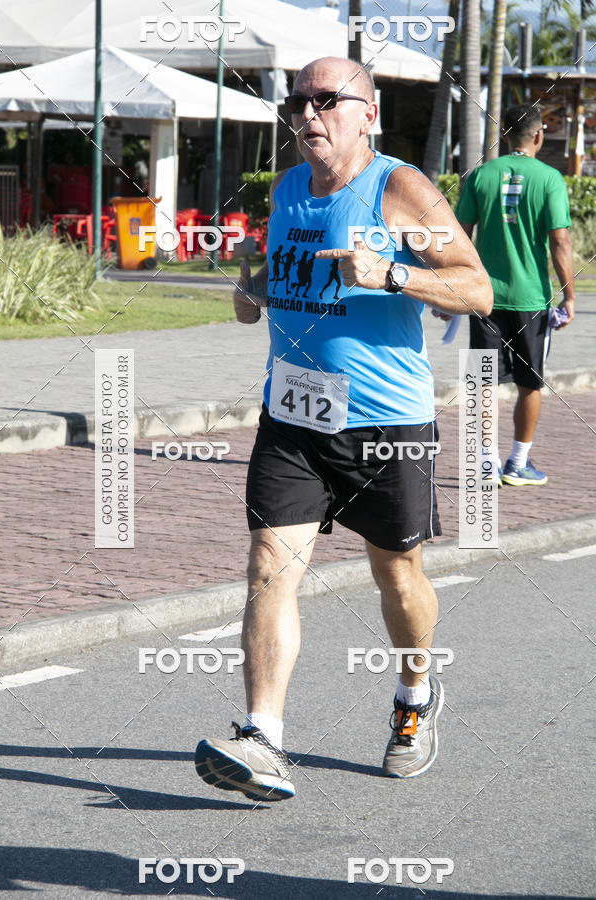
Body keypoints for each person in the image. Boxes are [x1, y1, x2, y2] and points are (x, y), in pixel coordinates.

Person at [195, 56, 492, 802]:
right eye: (297, 101)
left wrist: (393, 274)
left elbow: (477, 290)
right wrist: (253, 287)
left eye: (328, 100)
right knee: (270, 563)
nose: (308, 114)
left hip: (386, 425)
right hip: (292, 418)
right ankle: (263, 738)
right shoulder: (290, 188)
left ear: (371, 113)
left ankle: (416, 696)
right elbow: (283, 272)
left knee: (396, 573)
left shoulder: (400, 189)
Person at [456, 103, 575, 486]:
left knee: (484, 383)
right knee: (530, 383)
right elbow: (560, 241)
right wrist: (569, 296)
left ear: (504, 135)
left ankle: (486, 463)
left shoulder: (480, 176)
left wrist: (451, 287)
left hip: (484, 297)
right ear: (539, 136)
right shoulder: (550, 179)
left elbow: (460, 237)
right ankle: (517, 463)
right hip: (530, 301)